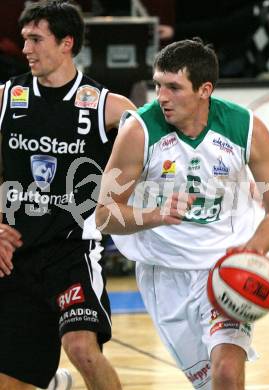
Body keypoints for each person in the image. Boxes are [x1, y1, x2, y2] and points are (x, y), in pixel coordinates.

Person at [95, 38, 269, 389]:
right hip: (165, 272)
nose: (162, 97)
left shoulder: (244, 127)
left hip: (223, 267)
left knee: (228, 372)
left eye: (173, 87)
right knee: (206, 383)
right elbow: (104, 216)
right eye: (157, 85)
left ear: (205, 90)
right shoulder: (138, 131)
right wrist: (154, 214)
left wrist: (253, 250)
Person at [0, 0, 135, 389]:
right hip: (18, 254)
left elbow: (154, 151)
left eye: (35, 39)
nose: (25, 48)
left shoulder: (108, 106)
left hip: (73, 251)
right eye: (24, 39)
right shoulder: (8, 98)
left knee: (82, 349)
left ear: (66, 43)